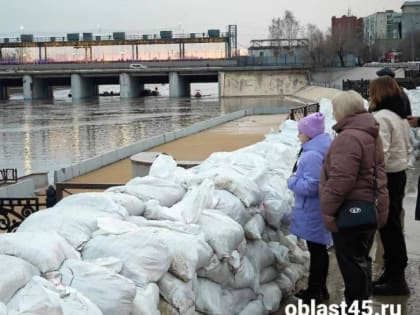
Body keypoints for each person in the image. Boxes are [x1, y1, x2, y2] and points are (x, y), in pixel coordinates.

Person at [319, 91, 389, 308]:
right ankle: (359, 302)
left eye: (335, 109)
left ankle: (355, 306)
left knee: (350, 263)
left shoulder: (348, 138)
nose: (333, 113)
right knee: (361, 259)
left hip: (350, 211)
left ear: (344, 111)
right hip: (368, 206)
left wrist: (328, 210)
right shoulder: (369, 132)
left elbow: (341, 181)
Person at [368, 76, 412, 296]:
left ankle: (396, 280)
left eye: (371, 91)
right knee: (391, 225)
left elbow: (379, 153)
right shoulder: (398, 116)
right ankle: (392, 273)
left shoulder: (382, 117)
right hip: (398, 174)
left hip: (388, 177)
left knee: (389, 227)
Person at [287, 112, 332, 304]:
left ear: (310, 134)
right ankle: (319, 288)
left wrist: (292, 181)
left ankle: (316, 290)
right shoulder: (316, 150)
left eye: (301, 132)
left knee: (318, 250)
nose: (298, 135)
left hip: (314, 209)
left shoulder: (312, 155)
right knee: (318, 249)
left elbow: (312, 186)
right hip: (316, 208)